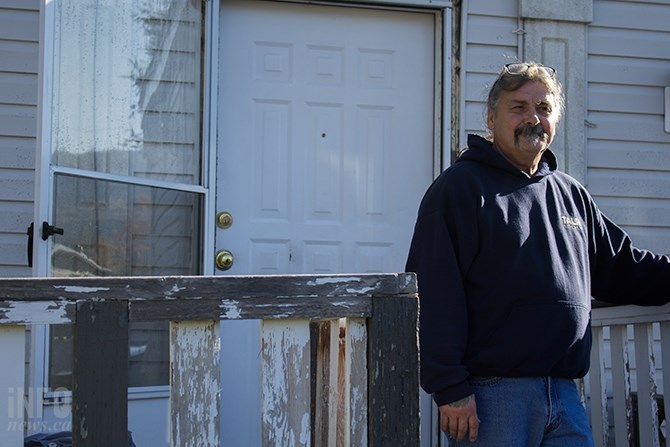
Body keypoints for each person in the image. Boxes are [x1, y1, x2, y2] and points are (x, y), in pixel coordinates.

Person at [405, 62, 670, 446]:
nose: (533, 118)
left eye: (544, 109)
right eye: (519, 107)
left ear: (555, 121)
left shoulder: (570, 194)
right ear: (492, 118)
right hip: (493, 396)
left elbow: (624, 267)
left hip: (565, 392)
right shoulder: (460, 189)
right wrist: (450, 388)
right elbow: (434, 292)